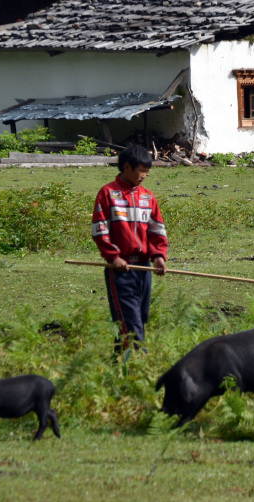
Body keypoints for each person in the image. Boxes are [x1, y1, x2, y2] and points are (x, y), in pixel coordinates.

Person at [91, 144, 167, 355]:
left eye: (147, 172)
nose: (144, 176)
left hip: (144, 268)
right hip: (121, 270)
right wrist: (113, 257)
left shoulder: (147, 197)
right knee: (129, 322)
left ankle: (119, 368)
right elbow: (100, 229)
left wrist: (159, 256)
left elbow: (157, 229)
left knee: (139, 319)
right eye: (141, 171)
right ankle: (138, 364)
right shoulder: (108, 194)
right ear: (126, 167)